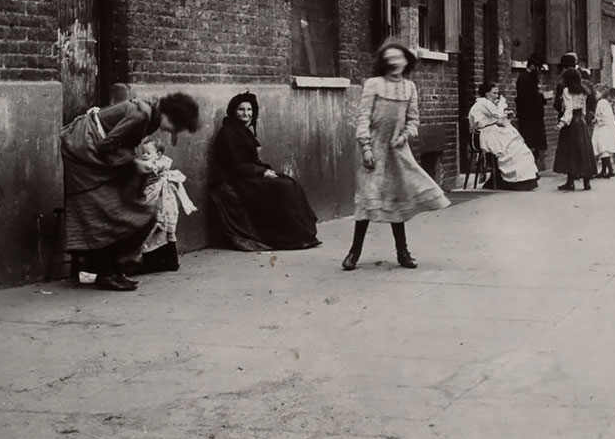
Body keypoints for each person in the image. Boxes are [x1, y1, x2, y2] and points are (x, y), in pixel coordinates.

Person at [60, 92, 200, 291]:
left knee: (110, 210)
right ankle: (107, 273)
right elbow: (108, 145)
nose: (174, 132)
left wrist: (134, 164)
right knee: (98, 210)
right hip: (83, 154)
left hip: (93, 153)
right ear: (171, 116)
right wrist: (135, 164)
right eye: (177, 126)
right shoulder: (141, 115)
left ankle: (113, 270)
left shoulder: (150, 115)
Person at [343, 39, 450, 271]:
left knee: (397, 200)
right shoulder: (373, 84)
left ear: (406, 62)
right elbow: (363, 118)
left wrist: (404, 136)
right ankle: (354, 253)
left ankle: (403, 252)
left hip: (397, 150)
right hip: (373, 150)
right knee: (368, 199)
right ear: (384, 62)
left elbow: (413, 120)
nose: (394, 63)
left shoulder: (409, 87)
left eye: (399, 58)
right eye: (389, 59)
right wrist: (366, 147)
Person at [210, 91, 321, 251]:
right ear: (233, 111)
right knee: (282, 188)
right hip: (236, 178)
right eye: (241, 110)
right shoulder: (228, 132)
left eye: (249, 110)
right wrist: (261, 172)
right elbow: (235, 165)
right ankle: (287, 239)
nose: (246, 113)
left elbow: (252, 160)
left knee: (290, 183)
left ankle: (304, 235)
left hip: (249, 174)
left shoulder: (243, 131)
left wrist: (265, 169)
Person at [127, 139, 197, 274]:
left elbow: (148, 169)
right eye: (143, 153)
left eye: (148, 153)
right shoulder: (158, 163)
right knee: (162, 230)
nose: (144, 155)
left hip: (161, 200)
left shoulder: (157, 164)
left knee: (158, 228)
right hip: (160, 199)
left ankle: (158, 262)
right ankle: (168, 261)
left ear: (158, 154)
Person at [468, 81, 539, 190]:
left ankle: (524, 178)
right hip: (486, 134)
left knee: (519, 148)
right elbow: (498, 115)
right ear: (486, 93)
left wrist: (504, 113)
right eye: (494, 93)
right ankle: (512, 180)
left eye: (497, 93)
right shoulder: (483, 103)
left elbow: (498, 118)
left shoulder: (488, 104)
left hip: (493, 132)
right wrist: (502, 106)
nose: (496, 96)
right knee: (510, 149)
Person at [553, 67, 598, 191]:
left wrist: (561, 123)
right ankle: (586, 182)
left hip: (571, 125)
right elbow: (583, 110)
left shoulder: (566, 91)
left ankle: (570, 182)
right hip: (581, 123)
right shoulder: (584, 91)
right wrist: (583, 120)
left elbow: (568, 111)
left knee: (570, 153)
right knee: (583, 151)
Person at [515, 54, 548, 170]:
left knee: (536, 144)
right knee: (530, 144)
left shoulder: (530, 78)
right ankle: (530, 169)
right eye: (538, 68)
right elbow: (527, 99)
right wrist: (542, 98)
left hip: (534, 118)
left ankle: (533, 168)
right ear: (533, 66)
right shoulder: (524, 79)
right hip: (529, 119)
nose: (539, 71)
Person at [591, 84, 615, 179]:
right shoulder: (605, 103)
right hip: (606, 127)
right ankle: (605, 170)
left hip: (603, 128)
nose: (595, 95)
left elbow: (601, 116)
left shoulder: (602, 102)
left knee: (603, 149)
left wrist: (595, 120)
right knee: (603, 150)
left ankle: (609, 170)